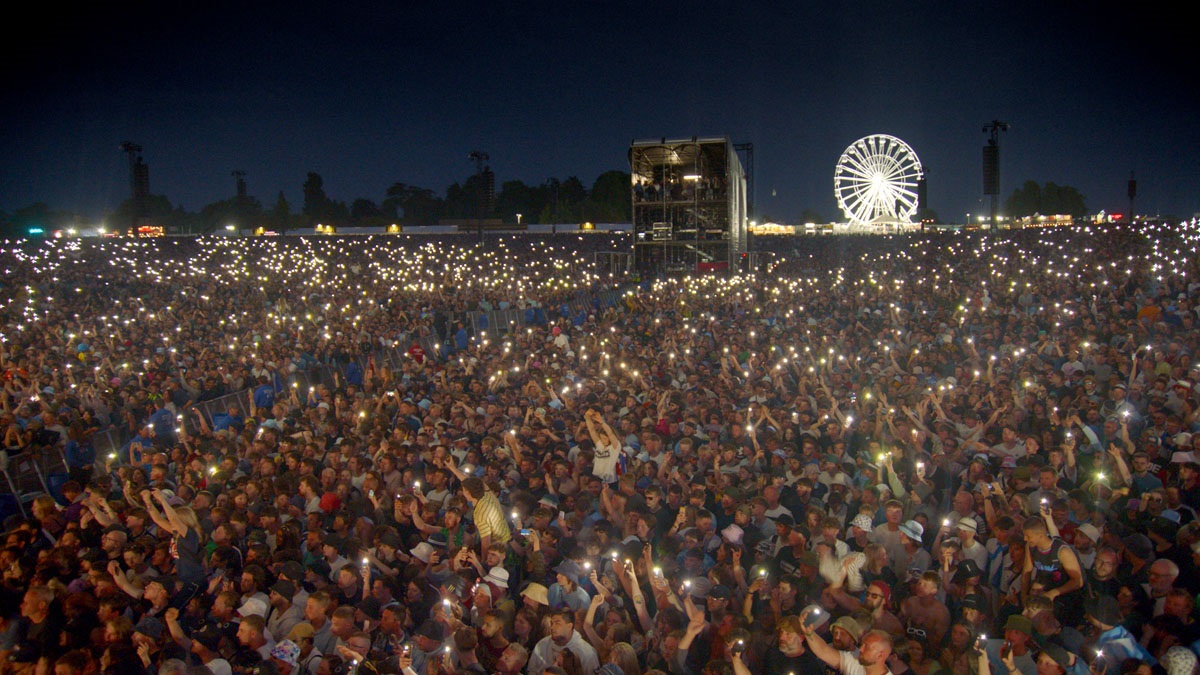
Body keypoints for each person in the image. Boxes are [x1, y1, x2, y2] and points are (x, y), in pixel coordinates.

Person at [527, 608, 600, 675]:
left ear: (569, 626)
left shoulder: (587, 652)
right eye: (551, 623)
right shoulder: (542, 645)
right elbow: (532, 671)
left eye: (557, 623)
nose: (552, 627)